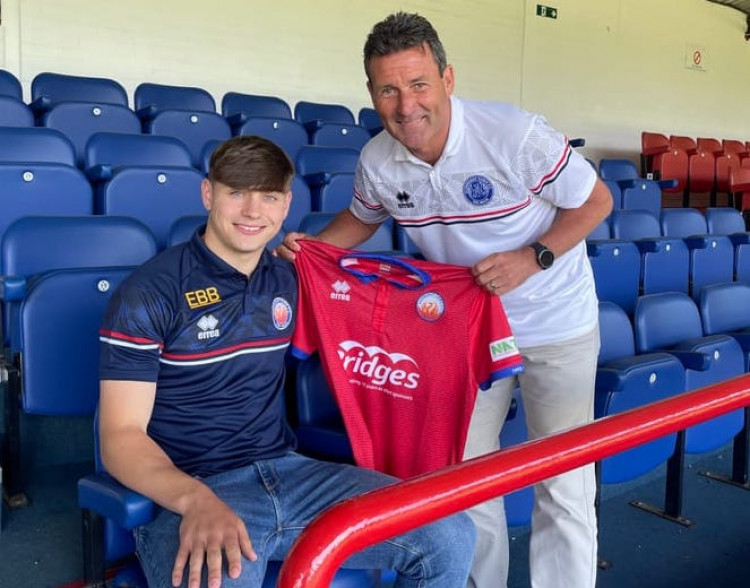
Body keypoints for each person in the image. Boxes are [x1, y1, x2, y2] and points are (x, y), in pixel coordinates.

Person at [277, 12, 613, 588]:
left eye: (418, 85)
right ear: (370, 93)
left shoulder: (515, 135)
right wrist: (307, 252)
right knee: (462, 476)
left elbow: (597, 201)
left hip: (555, 323)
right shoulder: (378, 161)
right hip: (462, 334)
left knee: (563, 478)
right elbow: (360, 221)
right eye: (388, 89)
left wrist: (533, 257)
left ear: (448, 79)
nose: (406, 106)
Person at [97, 135, 476, 588]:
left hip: (291, 473)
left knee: (450, 534)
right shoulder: (148, 294)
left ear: (286, 205)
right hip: (191, 487)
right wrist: (193, 499)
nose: (253, 211)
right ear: (208, 194)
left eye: (269, 196)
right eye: (236, 192)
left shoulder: (290, 278)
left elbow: (382, 309)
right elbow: (120, 437)